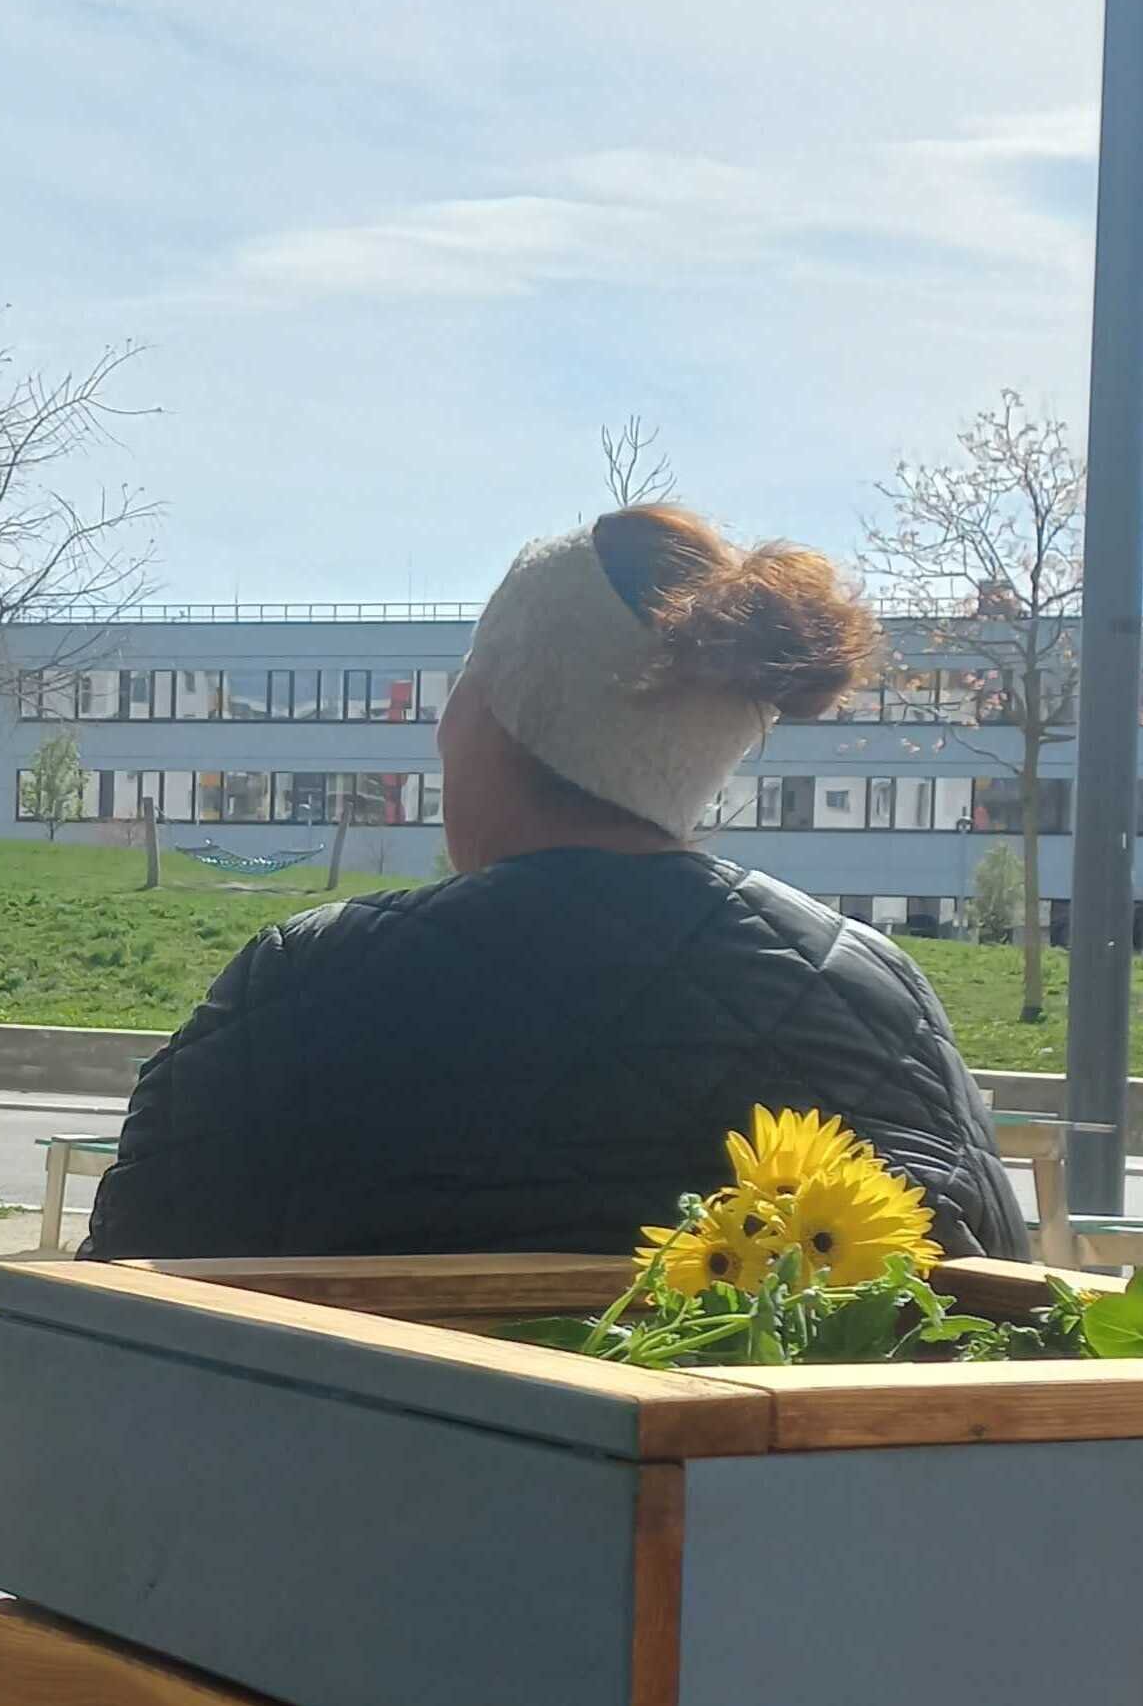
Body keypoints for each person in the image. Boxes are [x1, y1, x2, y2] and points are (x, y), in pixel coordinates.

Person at [85, 504, 1024, 1267]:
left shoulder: (298, 990)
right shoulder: (872, 998)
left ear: (493, 720)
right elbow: (1000, 1324)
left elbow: (111, 1333)